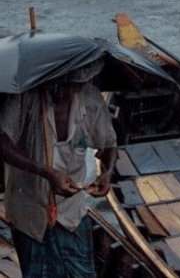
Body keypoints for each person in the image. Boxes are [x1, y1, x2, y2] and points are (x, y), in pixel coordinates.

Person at [0, 59, 118, 278]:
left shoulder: (91, 100)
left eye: (73, 86)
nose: (64, 92)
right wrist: (46, 172)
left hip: (71, 209)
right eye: (60, 84)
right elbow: (2, 143)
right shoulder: (26, 97)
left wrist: (107, 173)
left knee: (82, 274)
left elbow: (109, 144)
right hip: (29, 208)